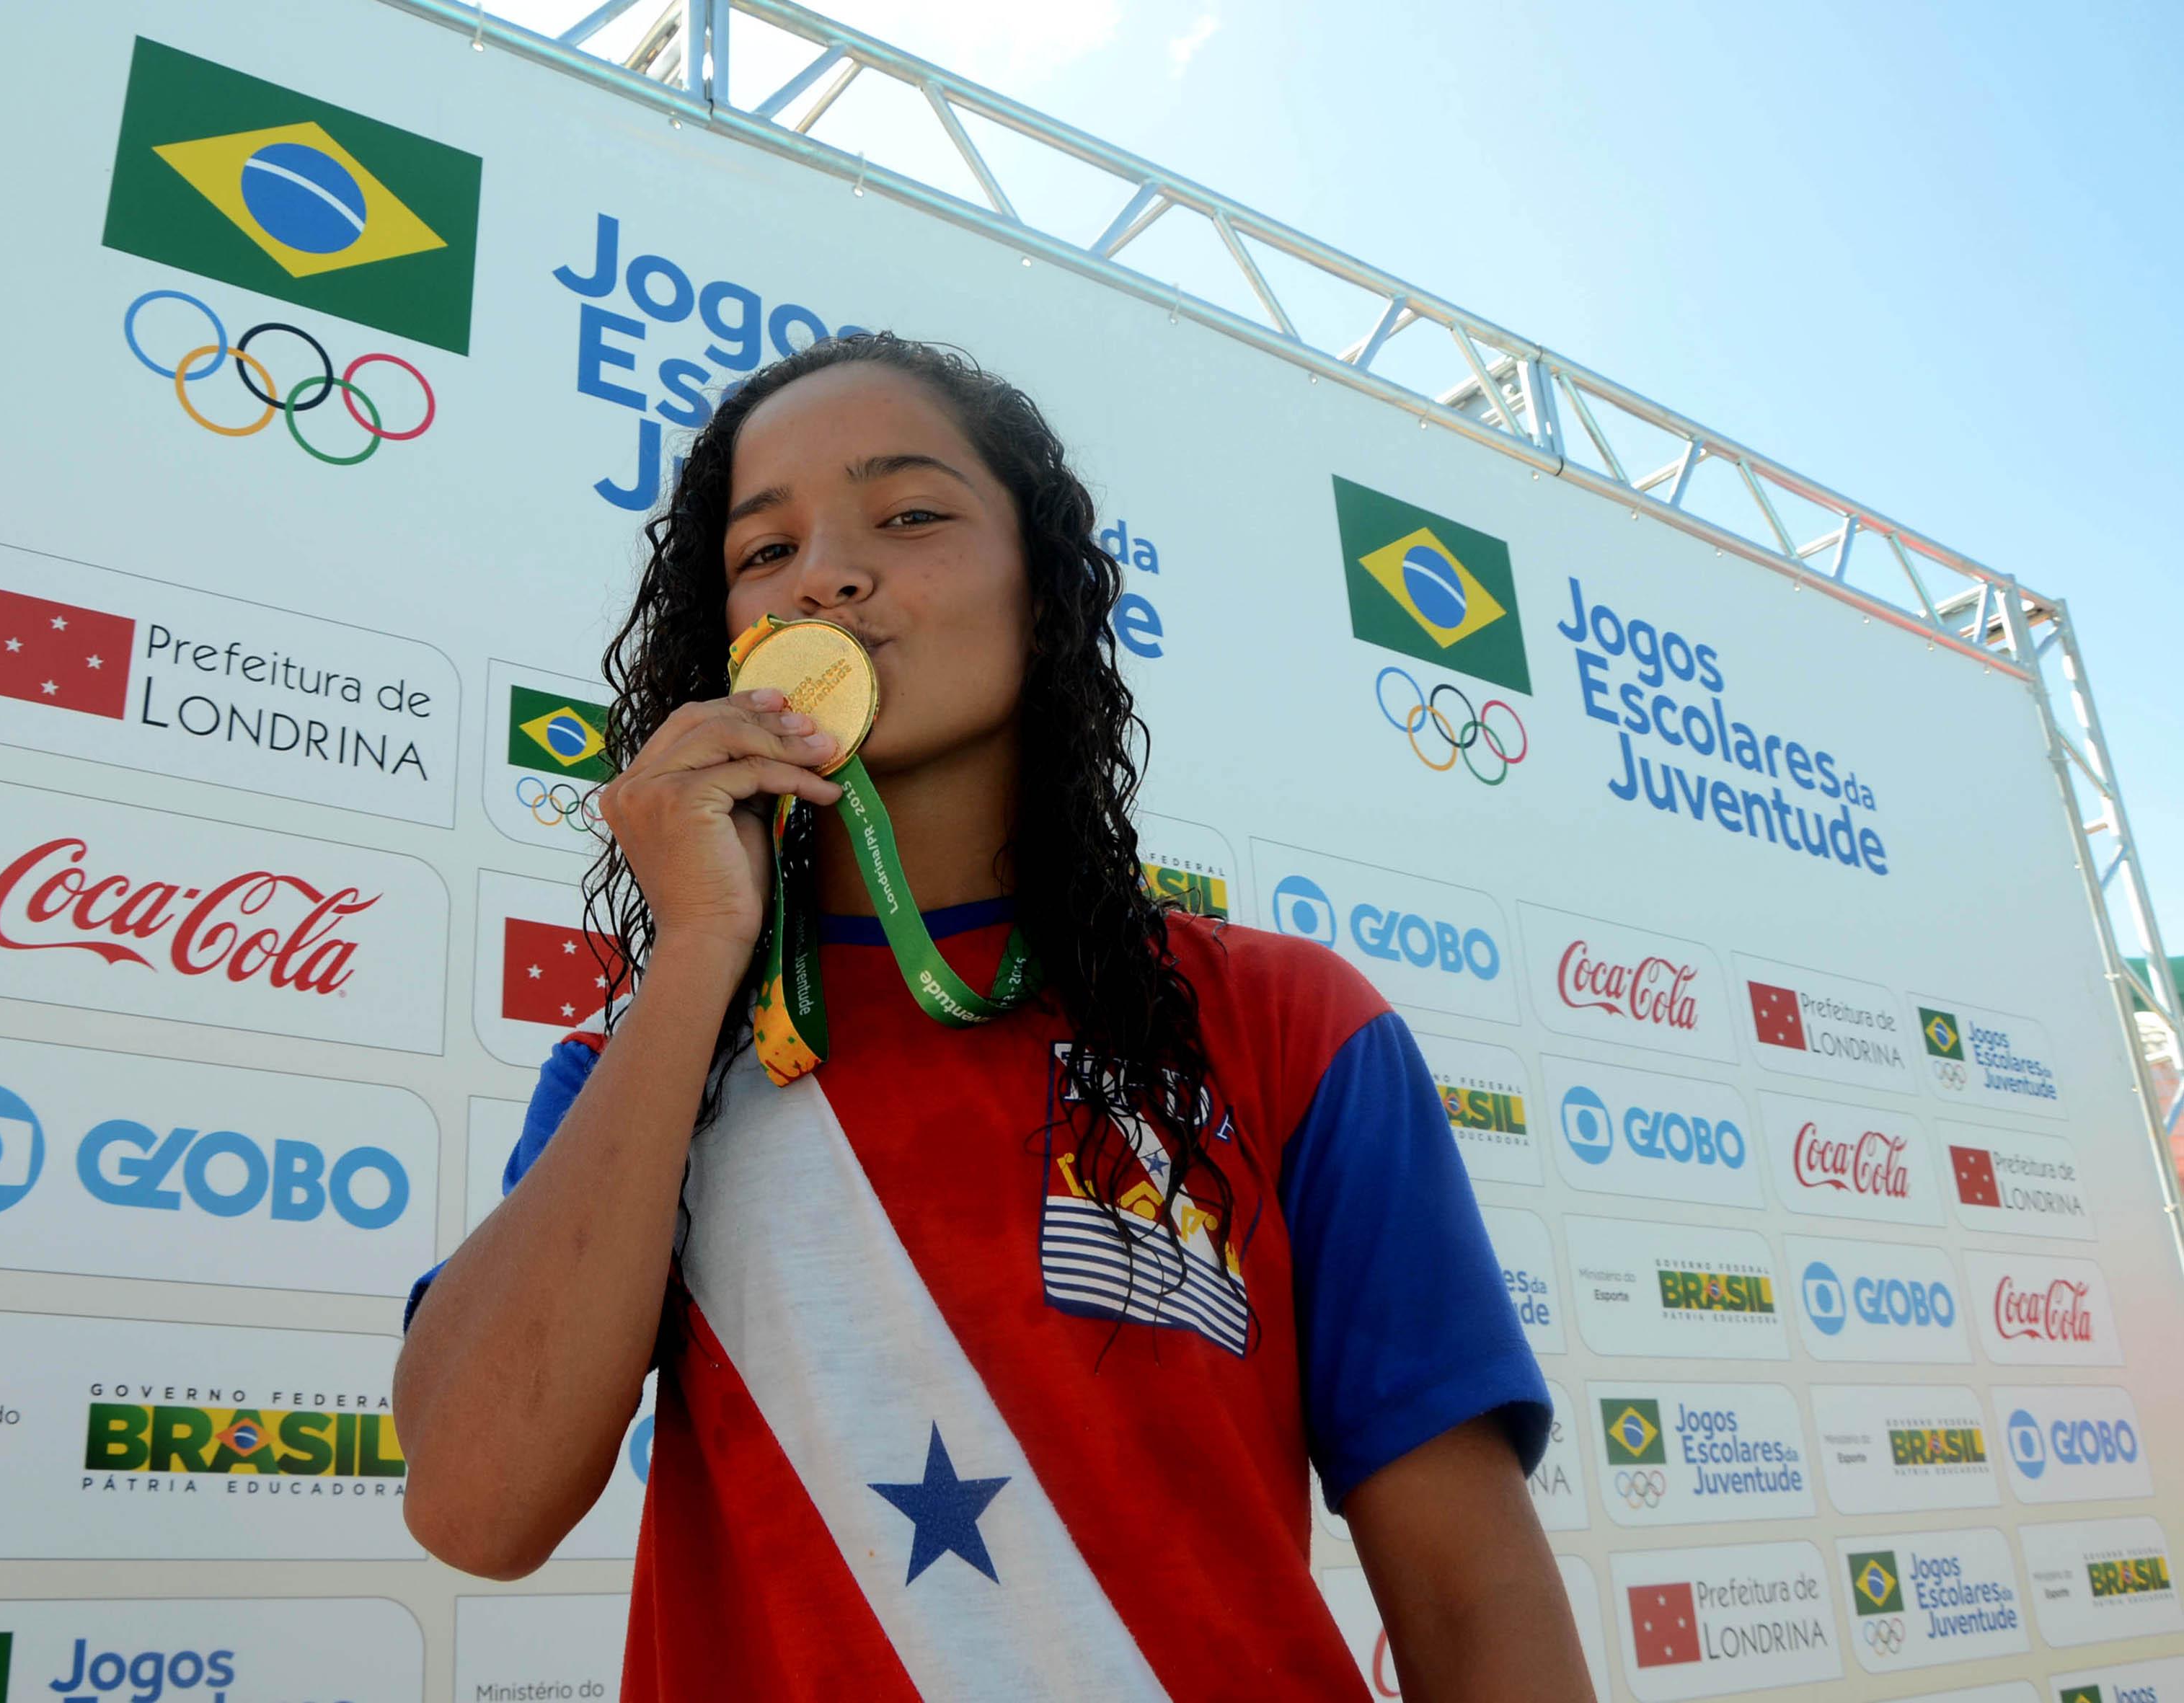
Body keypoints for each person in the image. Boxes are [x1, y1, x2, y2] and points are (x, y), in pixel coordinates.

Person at [395, 332, 1592, 1700]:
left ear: (1047, 595)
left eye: (909, 514)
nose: (828, 575)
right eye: (763, 551)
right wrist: (698, 953)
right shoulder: (647, 1066)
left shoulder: (1290, 1023)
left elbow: (1467, 1591)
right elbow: (473, 1508)